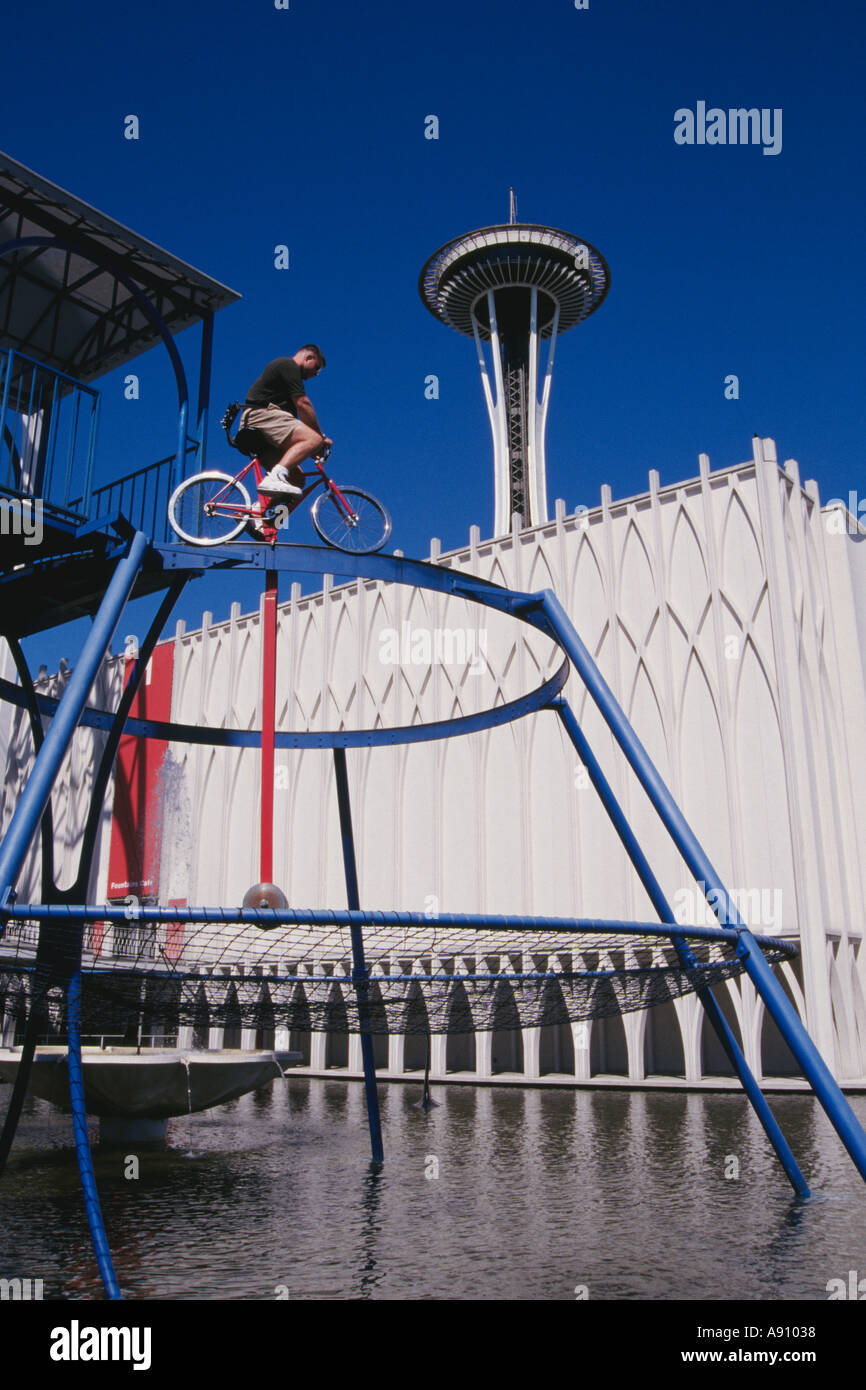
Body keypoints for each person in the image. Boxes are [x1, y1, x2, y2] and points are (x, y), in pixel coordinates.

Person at [238, 345, 331, 496]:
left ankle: (259, 515)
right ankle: (274, 478)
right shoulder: (288, 365)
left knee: (297, 480)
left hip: (263, 429)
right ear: (309, 358)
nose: (315, 374)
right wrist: (320, 438)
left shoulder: (287, 382)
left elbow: (296, 431)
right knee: (314, 438)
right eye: (317, 368)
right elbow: (303, 404)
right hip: (260, 415)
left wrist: (310, 447)